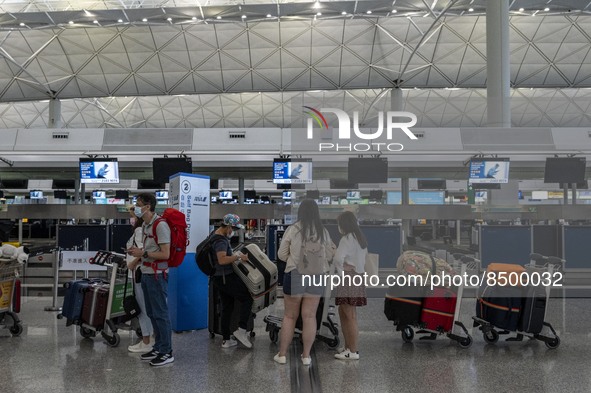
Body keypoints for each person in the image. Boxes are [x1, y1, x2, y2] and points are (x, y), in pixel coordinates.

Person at [274, 199, 334, 366]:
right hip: (316, 275)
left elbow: (281, 254)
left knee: (289, 316)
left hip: (295, 274)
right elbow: (329, 256)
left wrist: (294, 261)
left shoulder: (293, 229)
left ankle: (282, 354)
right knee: (309, 316)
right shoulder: (323, 231)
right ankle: (306, 356)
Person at [126, 193, 173, 367]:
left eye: (138, 204)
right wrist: (137, 253)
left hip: (157, 275)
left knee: (160, 314)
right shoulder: (146, 225)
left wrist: (142, 253)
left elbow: (165, 254)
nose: (135, 207)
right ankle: (159, 346)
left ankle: (167, 351)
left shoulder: (160, 225)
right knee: (152, 313)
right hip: (146, 274)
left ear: (148, 206)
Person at [211, 213, 254, 349]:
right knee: (247, 298)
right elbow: (222, 259)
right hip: (225, 277)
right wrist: (238, 256)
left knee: (227, 307)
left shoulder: (214, 235)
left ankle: (226, 340)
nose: (233, 232)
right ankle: (241, 330)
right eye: (233, 229)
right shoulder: (220, 240)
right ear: (228, 226)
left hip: (219, 278)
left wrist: (235, 255)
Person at [332, 211, 368, 360]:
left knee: (349, 314)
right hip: (357, 277)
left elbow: (337, 258)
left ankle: (352, 351)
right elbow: (363, 259)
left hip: (348, 279)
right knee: (345, 311)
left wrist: (342, 269)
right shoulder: (359, 238)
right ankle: (348, 347)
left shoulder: (346, 239)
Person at [125, 206, 154, 353]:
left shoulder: (139, 230)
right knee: (147, 308)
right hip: (144, 272)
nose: (132, 219)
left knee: (143, 309)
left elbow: (143, 252)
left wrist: (132, 262)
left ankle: (146, 341)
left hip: (138, 273)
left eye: (133, 216)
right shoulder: (144, 229)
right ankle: (150, 339)